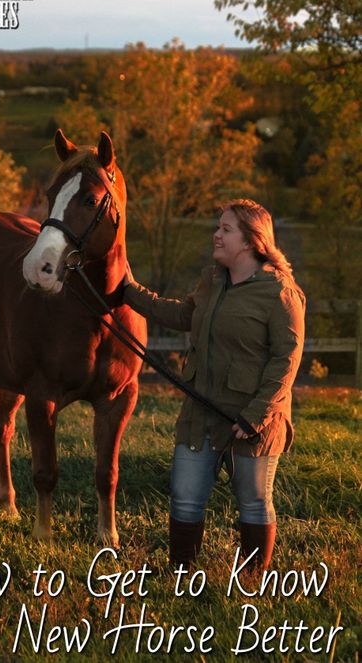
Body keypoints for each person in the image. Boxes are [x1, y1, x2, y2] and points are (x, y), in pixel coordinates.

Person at [123, 199, 305, 571]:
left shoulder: (280, 293)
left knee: (254, 501)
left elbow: (285, 363)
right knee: (185, 498)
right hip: (201, 412)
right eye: (218, 227)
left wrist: (254, 417)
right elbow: (180, 315)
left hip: (252, 422)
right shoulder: (212, 280)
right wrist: (127, 291)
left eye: (226, 229)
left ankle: (253, 581)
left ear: (251, 241)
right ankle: (182, 576)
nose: (216, 235)